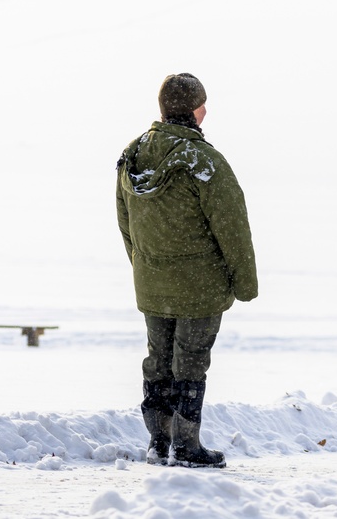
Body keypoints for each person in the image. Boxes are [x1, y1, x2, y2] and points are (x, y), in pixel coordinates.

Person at [116, 73, 258, 468]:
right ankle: (186, 446)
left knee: (157, 360)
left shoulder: (133, 155)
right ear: (198, 110)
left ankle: (158, 443)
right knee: (190, 362)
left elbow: (125, 222)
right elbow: (232, 228)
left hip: (152, 283)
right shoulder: (204, 161)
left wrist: (146, 267)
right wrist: (245, 285)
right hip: (200, 287)